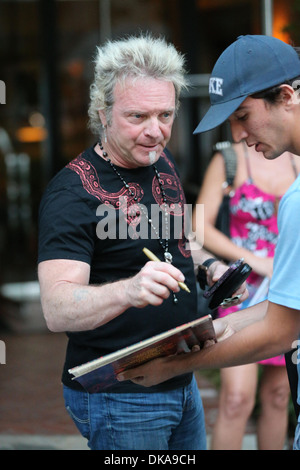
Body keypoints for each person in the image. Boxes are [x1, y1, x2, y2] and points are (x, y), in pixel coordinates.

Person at [37, 34, 246, 451]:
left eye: (165, 114)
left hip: (180, 377)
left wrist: (209, 268)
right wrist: (131, 289)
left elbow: (179, 239)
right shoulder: (71, 192)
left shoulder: (161, 163)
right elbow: (56, 308)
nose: (155, 131)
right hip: (121, 394)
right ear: (104, 114)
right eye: (137, 116)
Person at [118, 35, 300, 450]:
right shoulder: (237, 164)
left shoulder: (297, 199)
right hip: (260, 290)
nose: (238, 133)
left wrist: (172, 365)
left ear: (286, 96)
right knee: (240, 399)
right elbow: (280, 315)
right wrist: (202, 333)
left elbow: (279, 331)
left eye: (242, 115)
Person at [194, 141, 300, 449]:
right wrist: (251, 259)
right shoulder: (230, 158)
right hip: (240, 294)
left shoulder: (296, 157)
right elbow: (198, 226)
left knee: (279, 397)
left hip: (285, 292)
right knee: (237, 398)